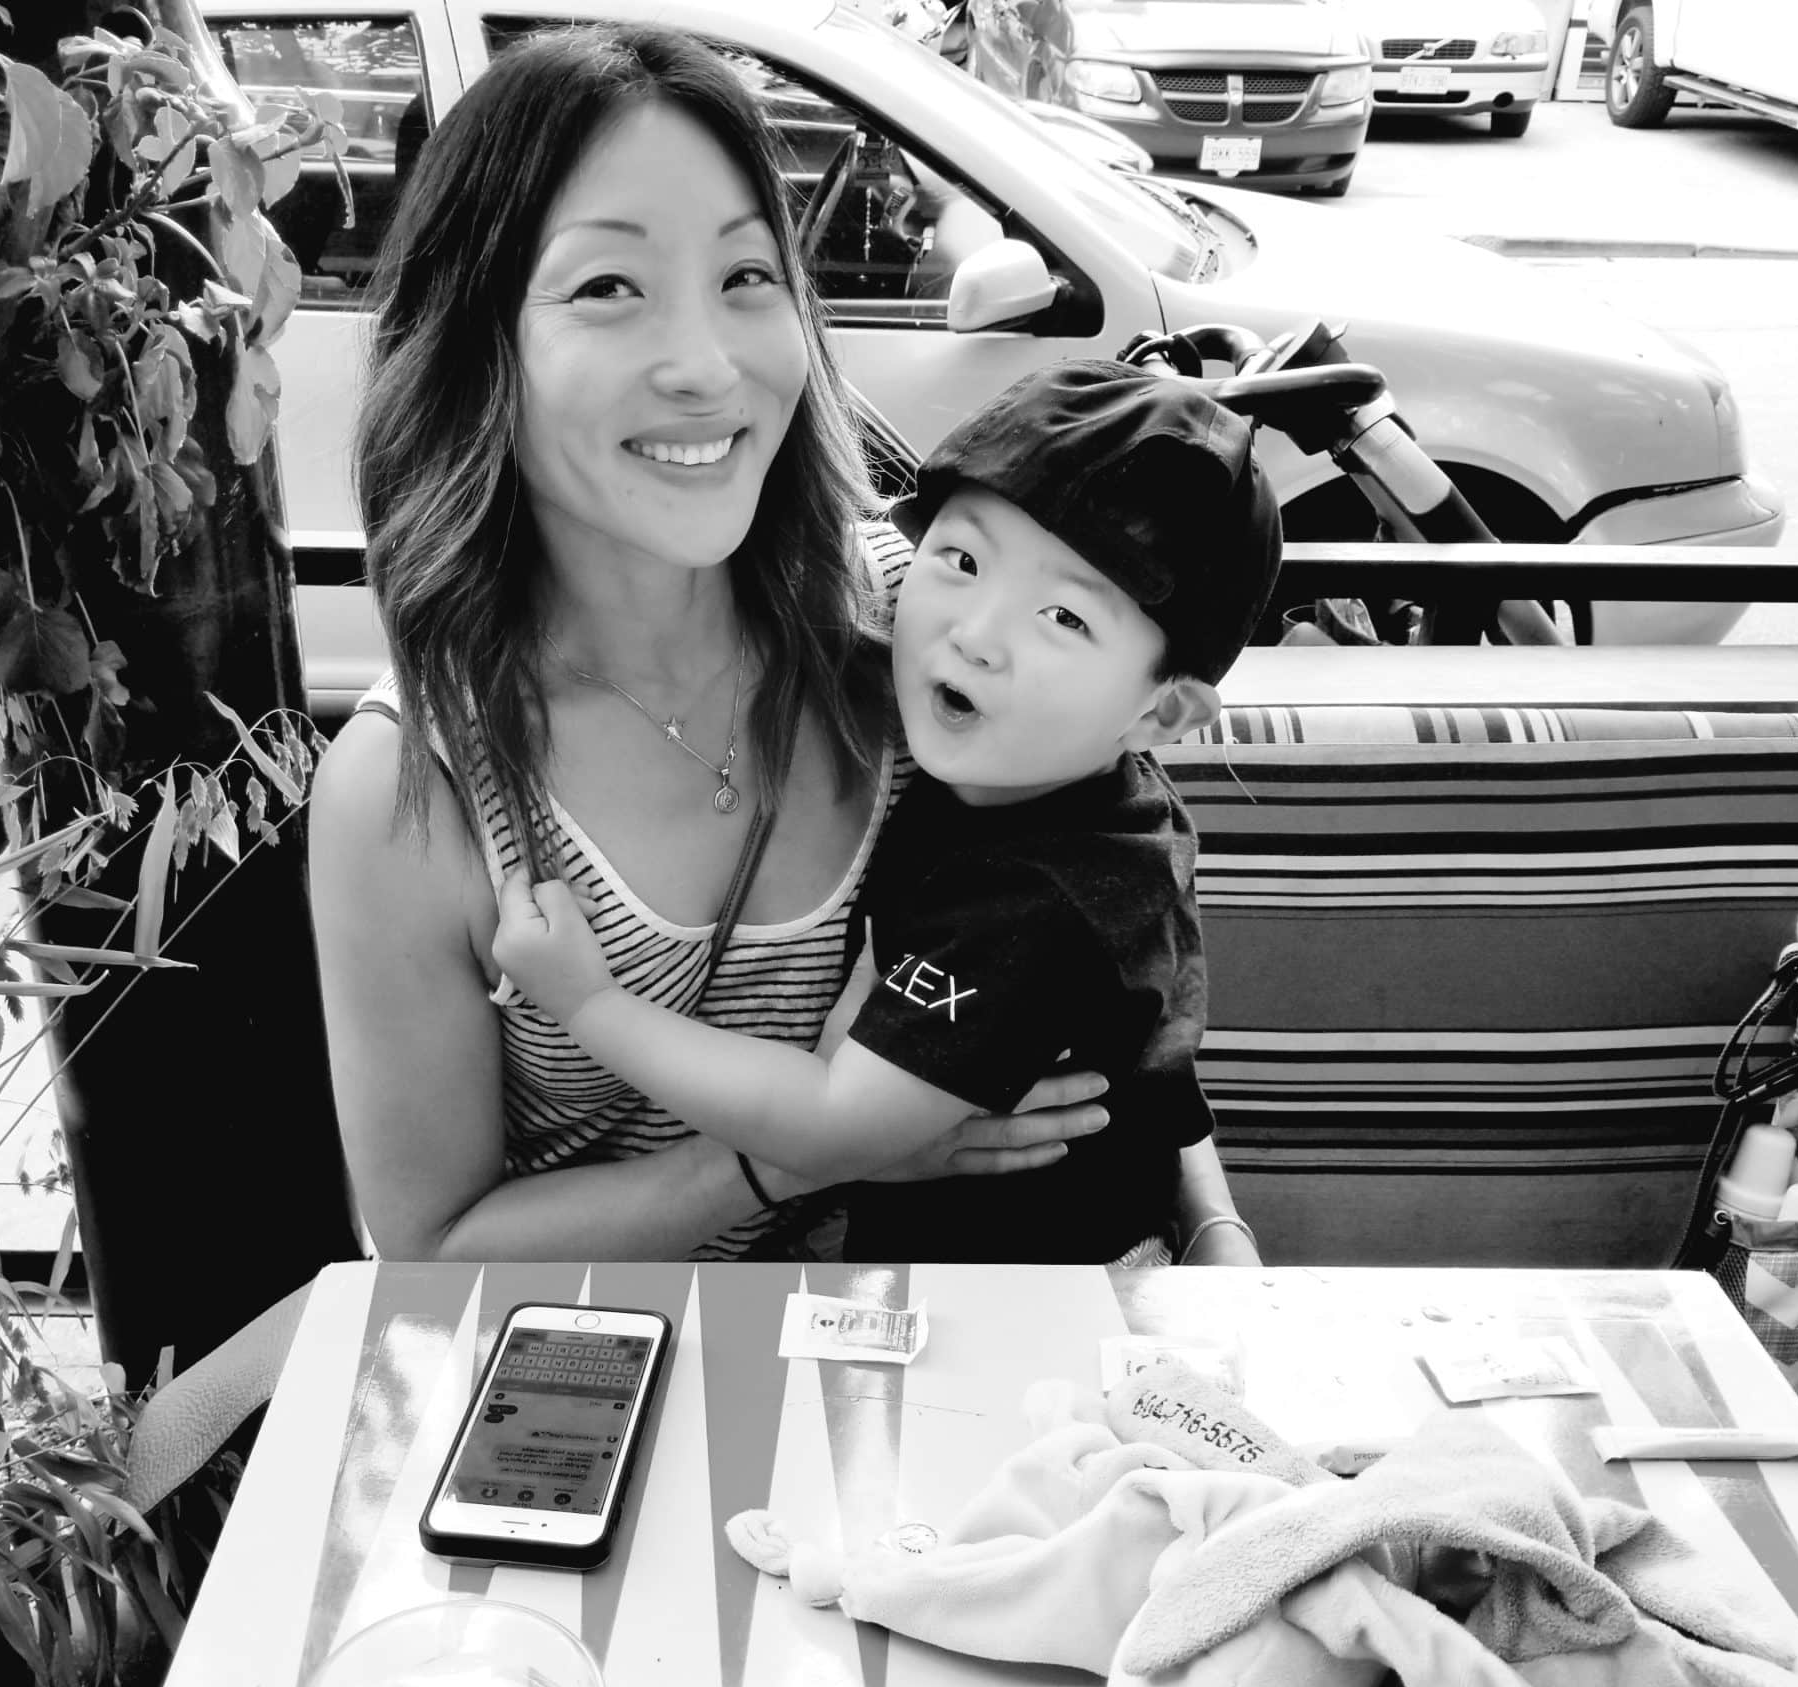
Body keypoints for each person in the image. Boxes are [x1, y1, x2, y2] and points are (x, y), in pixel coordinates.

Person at [309, 25, 1114, 1263]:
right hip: (616, 1361)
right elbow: (437, 1246)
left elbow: (1107, 910)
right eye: (607, 288)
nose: (705, 367)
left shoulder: (921, 624)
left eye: (745, 276)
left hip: (949, 1339)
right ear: (477, 350)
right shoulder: (417, 786)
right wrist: (804, 1149)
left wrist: (1212, 1227)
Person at [493, 359, 1276, 1265]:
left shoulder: (1043, 900)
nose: (976, 635)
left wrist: (590, 1003)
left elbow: (830, 1125)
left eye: (1065, 617)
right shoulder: (1053, 775)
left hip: (1050, 1305)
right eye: (963, 561)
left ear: (1161, 715)